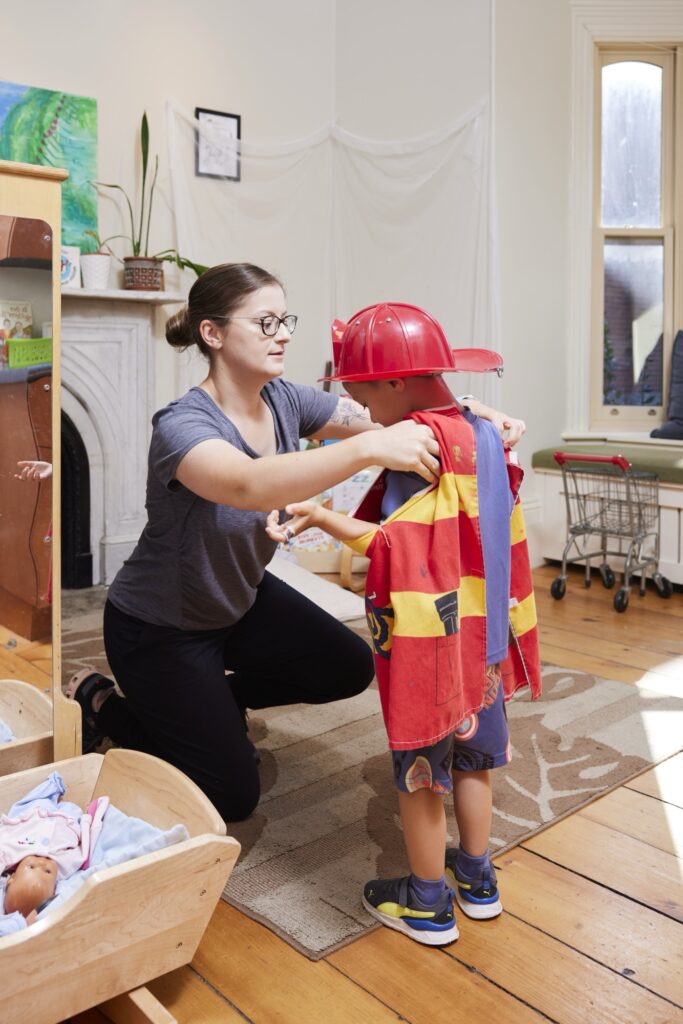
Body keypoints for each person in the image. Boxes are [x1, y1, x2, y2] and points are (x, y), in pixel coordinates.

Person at [66, 263, 520, 826]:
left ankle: (219, 699)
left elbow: (388, 411)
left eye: (285, 320)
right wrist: (372, 449)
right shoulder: (181, 426)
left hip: (240, 601)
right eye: (265, 322)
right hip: (160, 629)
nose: (283, 333)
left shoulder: (284, 399)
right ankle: (103, 703)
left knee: (349, 667)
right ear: (213, 333)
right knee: (231, 795)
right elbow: (249, 483)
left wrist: (471, 414)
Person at [266, 302, 541, 946]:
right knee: (475, 760)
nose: (363, 413)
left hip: (429, 646)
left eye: (362, 394)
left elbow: (395, 548)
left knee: (422, 772)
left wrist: (321, 516)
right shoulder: (480, 431)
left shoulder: (412, 449)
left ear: (395, 382)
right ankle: (478, 881)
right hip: (486, 638)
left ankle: (426, 904)